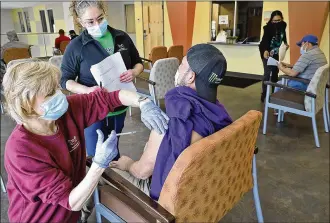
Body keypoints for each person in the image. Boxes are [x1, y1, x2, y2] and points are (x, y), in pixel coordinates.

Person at [2, 61, 169, 223]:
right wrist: (99, 163)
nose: (59, 94)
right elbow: (71, 202)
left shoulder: (66, 111)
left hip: (69, 215)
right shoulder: (21, 150)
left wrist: (143, 102)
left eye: (56, 88)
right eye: (49, 93)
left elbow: (110, 97)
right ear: (26, 105)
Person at [110, 44, 233, 200]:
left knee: (102, 172)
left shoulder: (170, 120)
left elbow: (142, 172)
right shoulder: (219, 113)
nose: (178, 68)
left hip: (167, 201)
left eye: (182, 64)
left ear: (190, 77)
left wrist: (127, 164)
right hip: (203, 191)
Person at [61, 0, 144, 158]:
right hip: (92, 108)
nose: (97, 24)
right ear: (80, 22)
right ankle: (98, 180)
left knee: (114, 147)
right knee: (95, 153)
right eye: (90, 22)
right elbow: (65, 80)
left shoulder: (121, 37)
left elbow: (138, 62)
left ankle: (114, 178)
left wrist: (134, 72)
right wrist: (87, 90)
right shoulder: (76, 46)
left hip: (120, 105)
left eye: (100, 18)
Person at [259, 10, 289, 102]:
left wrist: (285, 44)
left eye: (278, 20)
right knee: (267, 74)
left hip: (277, 53)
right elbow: (264, 41)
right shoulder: (267, 28)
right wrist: (265, 50)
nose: (276, 22)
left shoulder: (283, 26)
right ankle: (264, 95)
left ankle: (274, 94)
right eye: (274, 21)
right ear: (271, 20)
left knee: (275, 73)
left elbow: (284, 38)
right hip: (267, 52)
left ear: (282, 19)